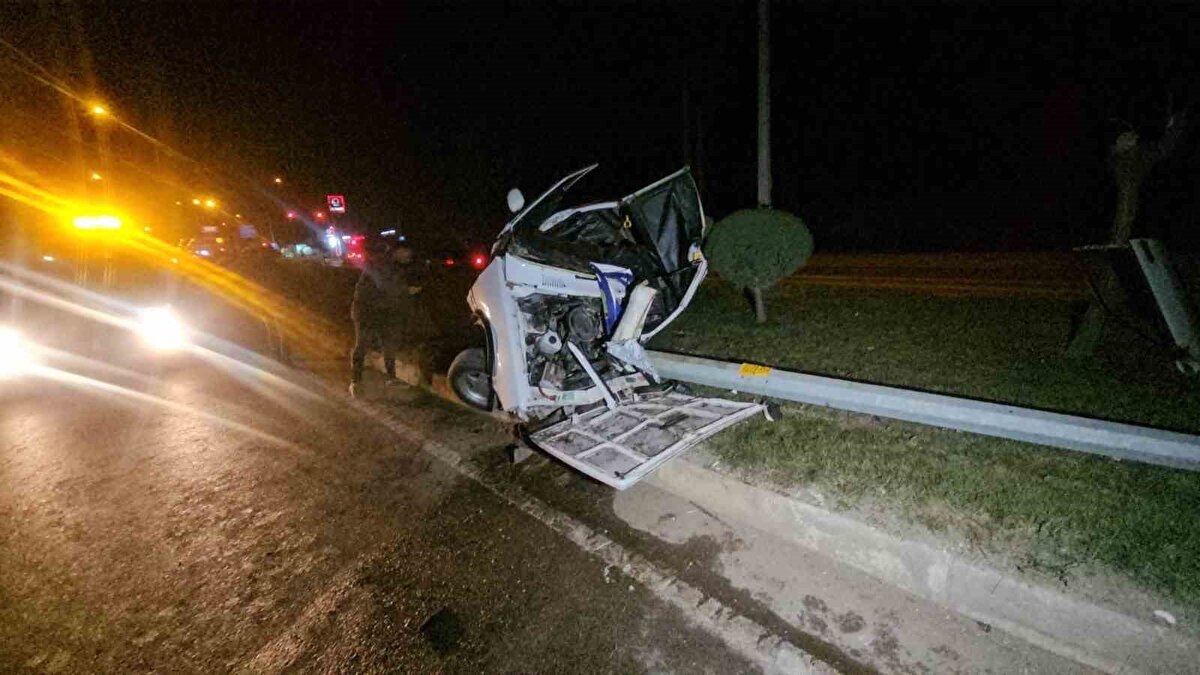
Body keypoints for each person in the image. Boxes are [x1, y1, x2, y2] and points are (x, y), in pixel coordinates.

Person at [349, 240, 422, 397]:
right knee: (362, 343)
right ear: (399, 251)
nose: (409, 258)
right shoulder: (379, 262)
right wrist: (407, 291)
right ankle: (356, 381)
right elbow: (384, 285)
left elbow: (392, 291)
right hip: (366, 310)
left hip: (383, 311)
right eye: (407, 254)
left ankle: (390, 379)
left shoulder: (396, 266)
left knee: (389, 345)